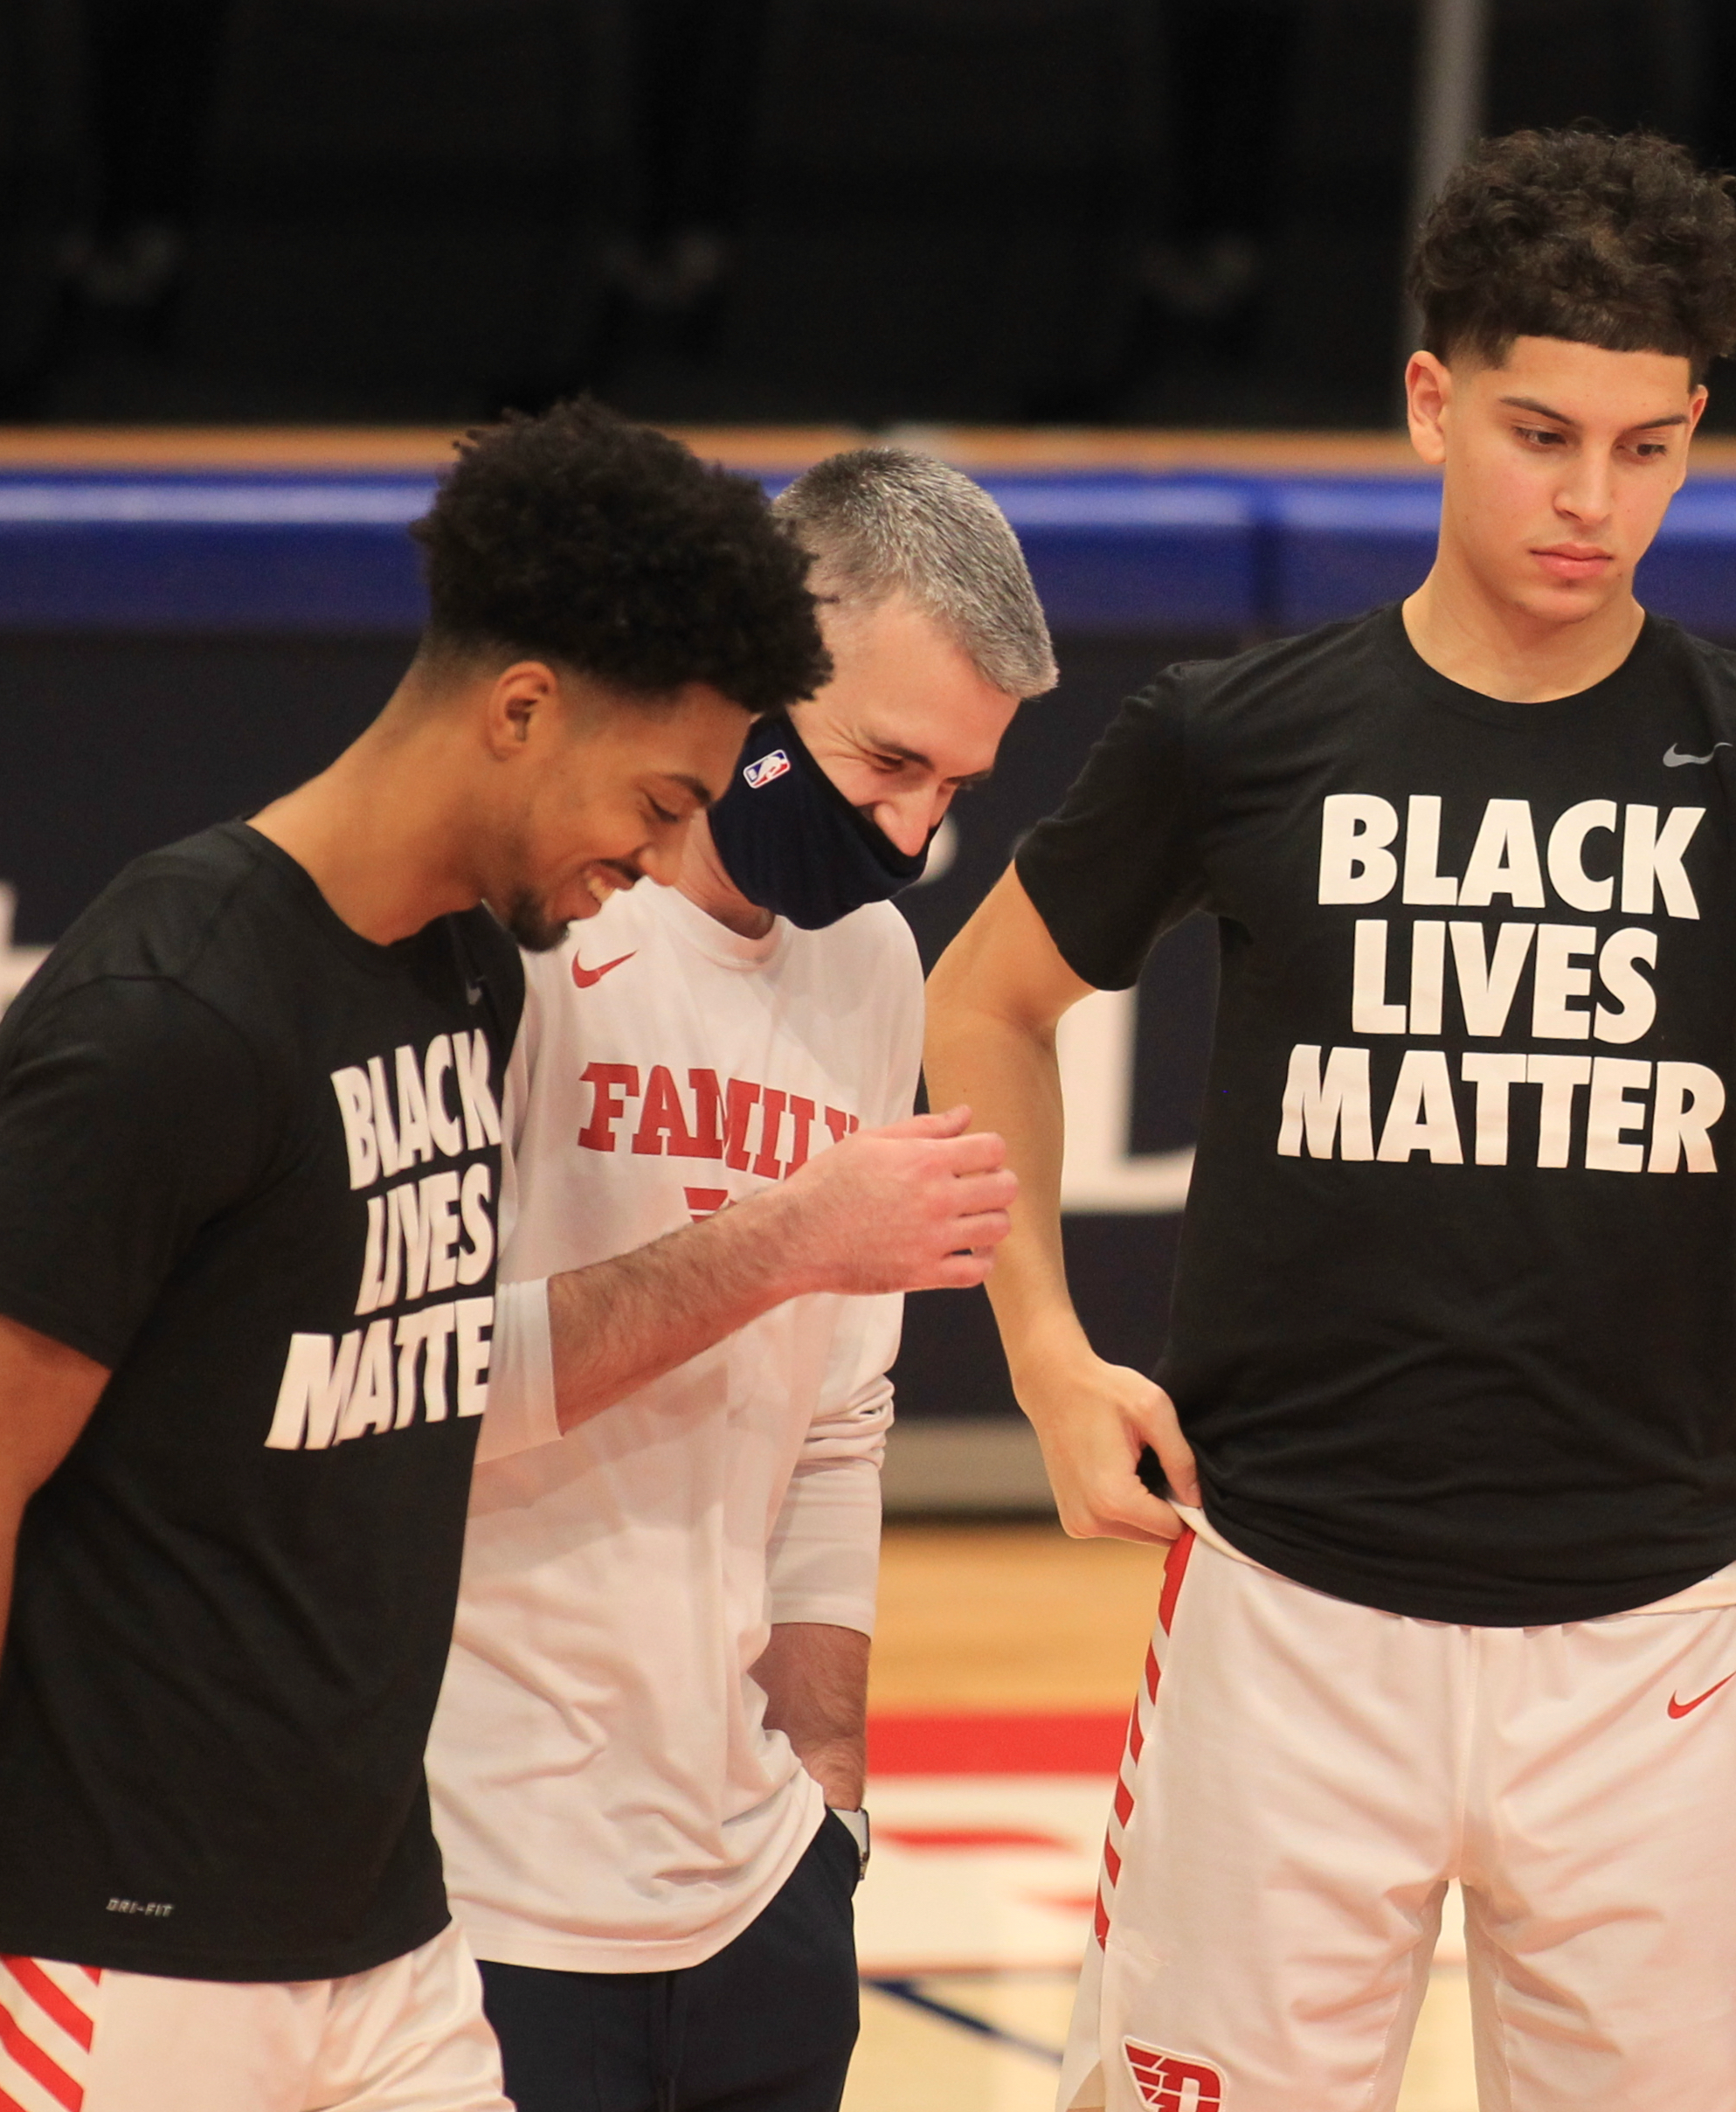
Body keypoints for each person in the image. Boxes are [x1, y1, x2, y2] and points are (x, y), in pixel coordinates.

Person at [923, 128, 1736, 2110]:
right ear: (1431, 401)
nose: (1592, 500)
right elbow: (983, 1001)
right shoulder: (1238, 730)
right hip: (1283, 1614)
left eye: (1647, 447)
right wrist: (1041, 1353)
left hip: (1651, 1647)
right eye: (1542, 434)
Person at [0, 403, 1009, 2112]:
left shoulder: (450, 978)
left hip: (387, 1923)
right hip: (145, 1927)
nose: (663, 849)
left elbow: (400, 1413)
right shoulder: (167, 1016)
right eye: (661, 794)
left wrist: (817, 1784)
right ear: (526, 709)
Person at [426, 448, 1054, 2112]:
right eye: (890, 762)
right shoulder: (515, 934)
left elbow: (839, 1421)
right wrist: (783, 1241)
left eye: (958, 790)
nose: (915, 835)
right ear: (760, 677)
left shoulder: (869, 965)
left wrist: (828, 1797)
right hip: (474, 1891)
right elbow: (408, 1391)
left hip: (759, 1890)